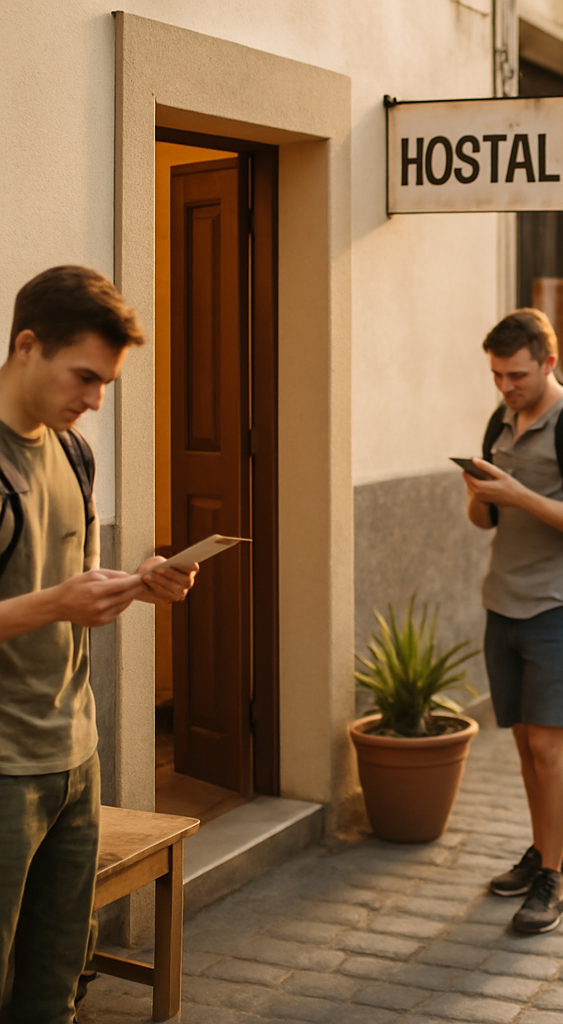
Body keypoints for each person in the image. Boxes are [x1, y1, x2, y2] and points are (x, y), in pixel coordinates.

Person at [0, 266, 198, 1024]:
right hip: (4, 770)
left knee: (55, 991)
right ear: (27, 346)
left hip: (75, 758)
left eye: (107, 381)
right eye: (85, 376)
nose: (95, 400)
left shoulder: (74, 452)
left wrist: (134, 582)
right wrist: (58, 601)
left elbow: (68, 577)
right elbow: (51, 595)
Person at [462, 308, 563, 933]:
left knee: (550, 745)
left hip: (557, 604)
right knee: (525, 741)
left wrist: (520, 494)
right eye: (497, 375)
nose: (506, 387)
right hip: (503, 599)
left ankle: (555, 875)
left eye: (517, 374)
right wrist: (479, 498)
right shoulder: (501, 419)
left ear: (549, 361)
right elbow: (483, 521)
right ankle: (542, 850)